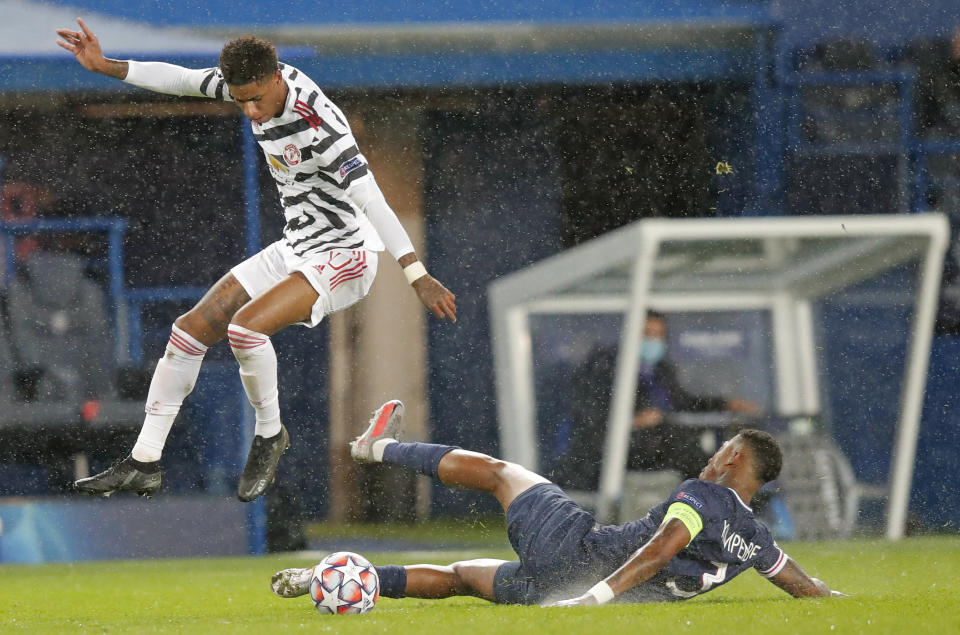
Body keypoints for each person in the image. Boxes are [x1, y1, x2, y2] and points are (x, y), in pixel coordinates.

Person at [56, 19, 457, 502]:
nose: (249, 109)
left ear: (276, 80)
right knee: (188, 330)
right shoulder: (247, 85)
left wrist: (418, 275)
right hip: (297, 245)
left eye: (256, 99)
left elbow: (374, 203)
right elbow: (182, 80)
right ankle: (144, 460)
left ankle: (270, 435)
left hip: (344, 252)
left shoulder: (317, 122)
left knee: (245, 329)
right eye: (239, 99)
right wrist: (106, 66)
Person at [271, 402, 844, 605]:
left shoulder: (702, 494)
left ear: (736, 463)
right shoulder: (757, 538)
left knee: (504, 474)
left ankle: (380, 446)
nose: (714, 454)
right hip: (552, 589)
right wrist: (837, 599)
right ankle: (328, 579)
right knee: (460, 577)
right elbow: (802, 585)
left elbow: (658, 549)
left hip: (578, 554)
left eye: (724, 449)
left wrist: (594, 598)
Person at [557, 312, 758, 489]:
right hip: (624, 451)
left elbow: (683, 402)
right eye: (647, 334)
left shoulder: (660, 369)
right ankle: (724, 493)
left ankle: (729, 491)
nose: (653, 342)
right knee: (686, 449)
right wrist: (633, 421)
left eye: (659, 335)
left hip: (664, 442)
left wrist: (724, 404)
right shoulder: (603, 370)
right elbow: (589, 417)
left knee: (709, 446)